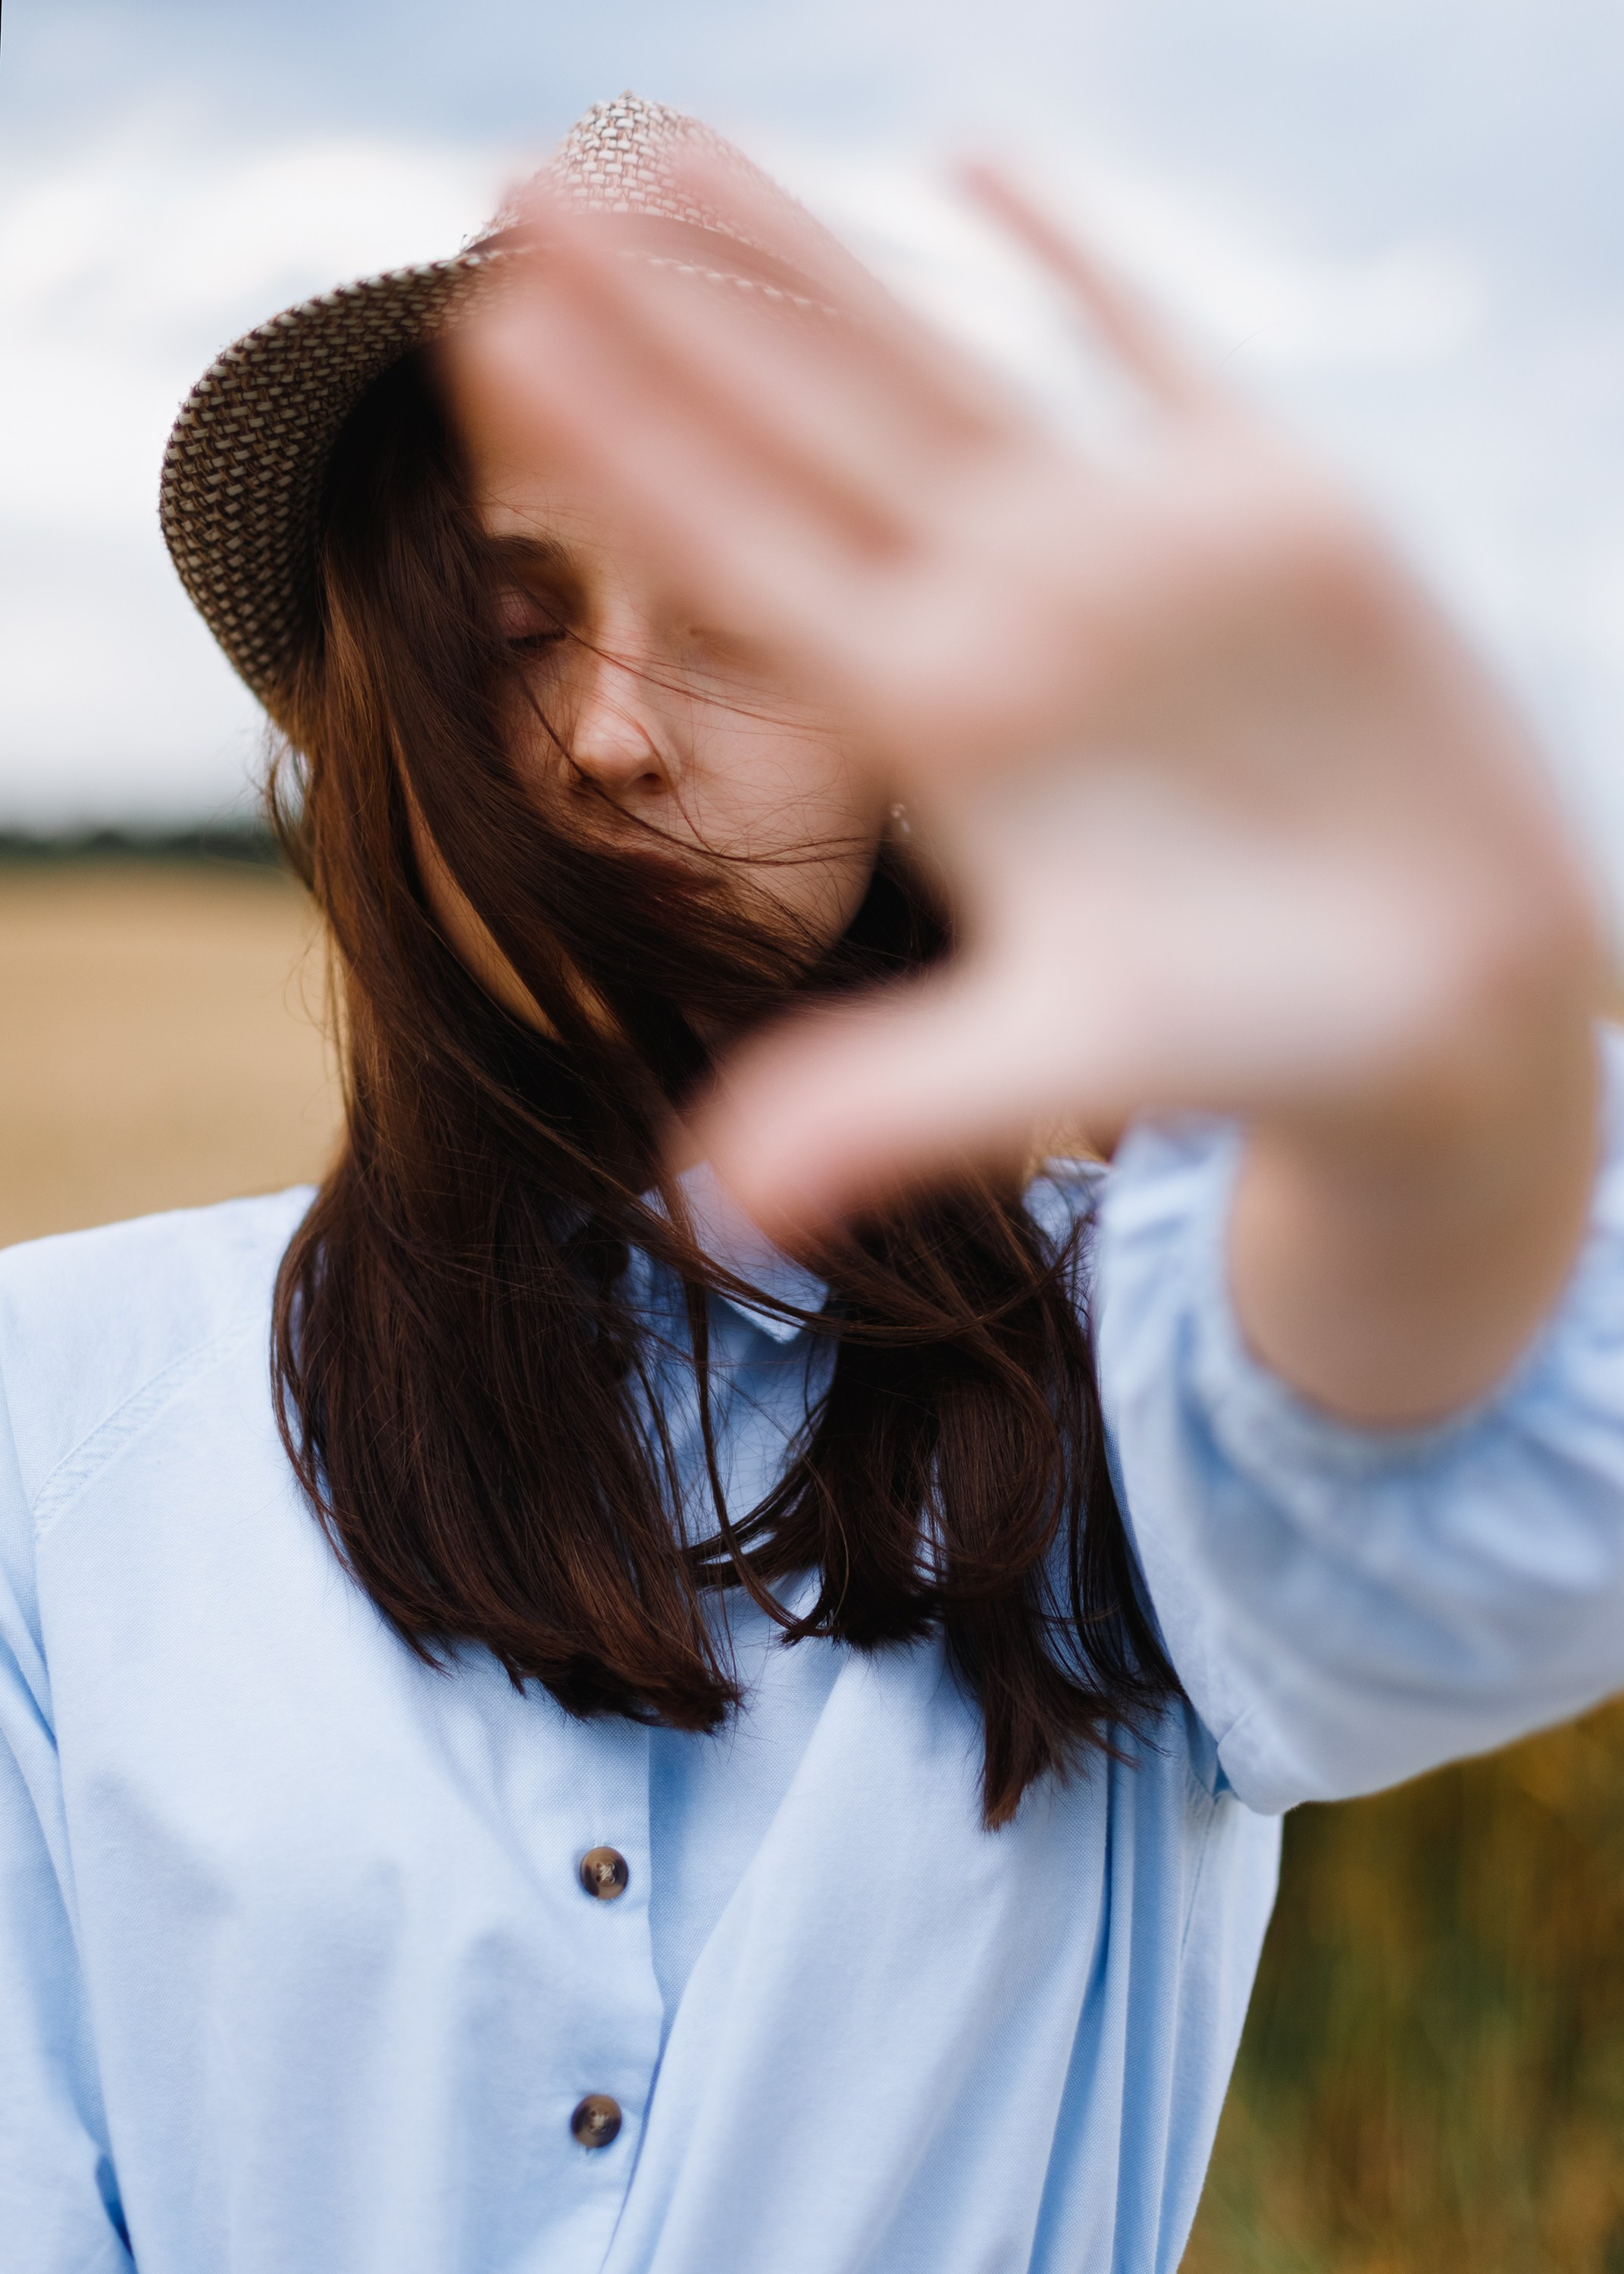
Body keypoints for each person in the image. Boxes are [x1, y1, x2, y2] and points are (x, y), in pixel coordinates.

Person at [3, 90, 1622, 2274]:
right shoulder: (51, 1415)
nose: (606, 736)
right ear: (365, 718)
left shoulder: (1130, 1359)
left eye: (748, 614)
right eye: (505, 632)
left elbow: (1481, 1469)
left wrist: (1456, 1103)